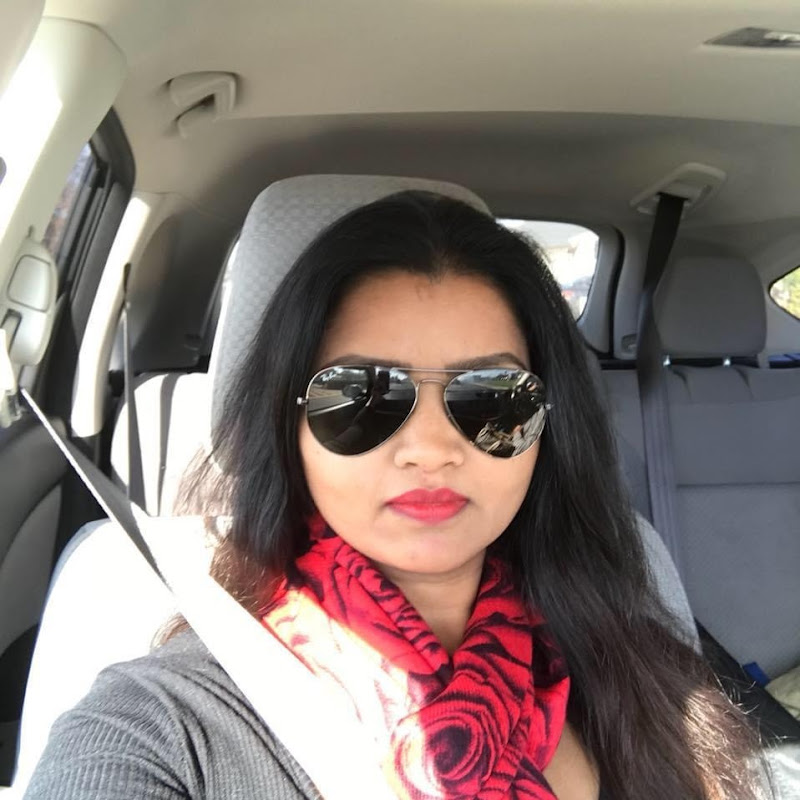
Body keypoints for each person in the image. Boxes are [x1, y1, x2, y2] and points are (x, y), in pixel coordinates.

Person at [24, 190, 767, 800]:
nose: (431, 448)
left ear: (547, 426)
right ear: (290, 424)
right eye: (362, 396)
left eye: (492, 395)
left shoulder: (640, 665)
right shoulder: (164, 728)